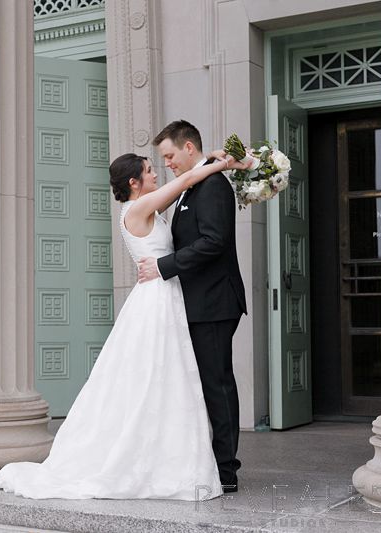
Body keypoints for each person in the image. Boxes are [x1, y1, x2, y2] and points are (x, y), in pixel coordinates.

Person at [0, 148, 250, 500]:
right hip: (156, 301)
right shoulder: (139, 208)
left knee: (170, 379)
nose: (157, 173)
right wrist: (228, 165)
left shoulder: (149, 207)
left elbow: (188, 185)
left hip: (167, 296)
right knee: (155, 378)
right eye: (149, 170)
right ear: (134, 182)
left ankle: (169, 455)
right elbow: (187, 180)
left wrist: (214, 158)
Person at [137, 120, 248, 493]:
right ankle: (215, 462)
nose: (166, 162)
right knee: (208, 384)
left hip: (215, 302)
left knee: (217, 385)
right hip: (199, 302)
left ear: (188, 148)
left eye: (169, 155)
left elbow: (214, 241)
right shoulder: (196, 183)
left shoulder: (212, 185)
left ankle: (226, 470)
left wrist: (163, 267)